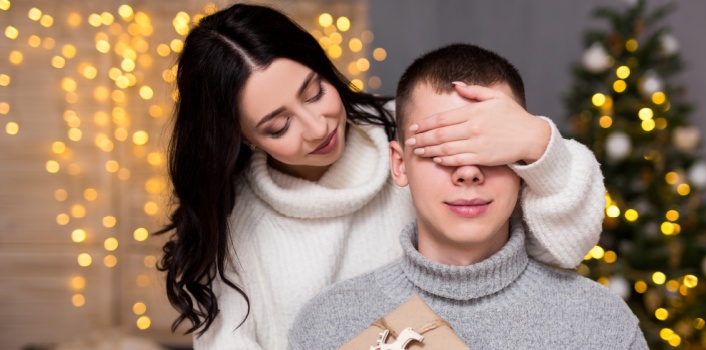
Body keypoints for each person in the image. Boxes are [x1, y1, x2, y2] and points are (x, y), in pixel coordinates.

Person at [157, 4, 605, 349]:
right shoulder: (233, 225)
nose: (317, 128)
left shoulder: (422, 134)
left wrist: (539, 142)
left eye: (314, 92)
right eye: (278, 126)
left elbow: (563, 246)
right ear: (241, 136)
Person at [289, 43, 647, 349]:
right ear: (400, 165)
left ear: (524, 162)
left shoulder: (601, 324)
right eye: (439, 148)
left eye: (490, 148)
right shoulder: (327, 326)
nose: (468, 170)